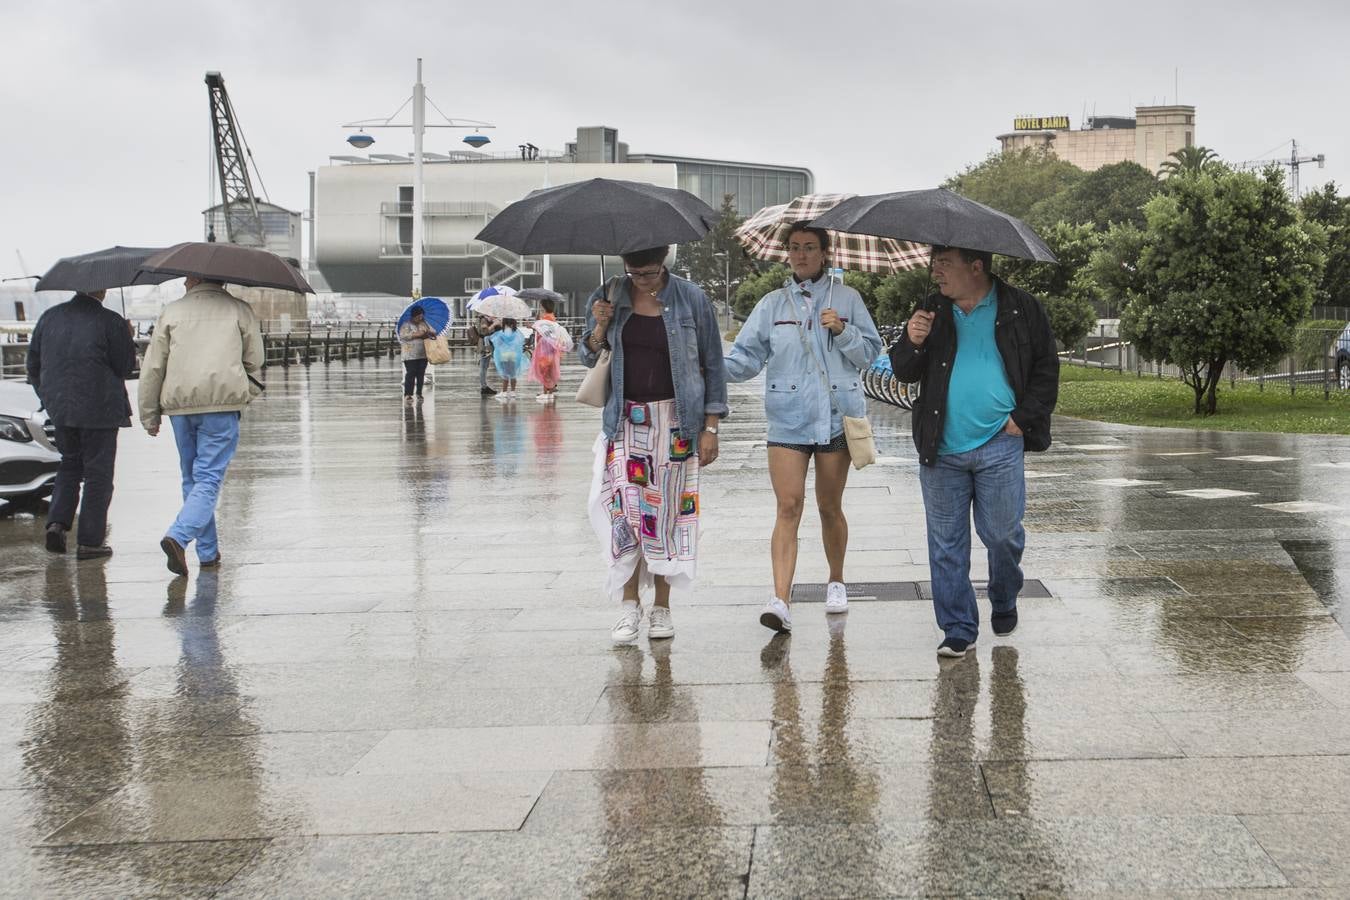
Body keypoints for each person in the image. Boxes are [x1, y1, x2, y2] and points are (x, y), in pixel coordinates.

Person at [890, 246, 1059, 659]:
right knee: (946, 544)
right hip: (941, 446)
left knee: (1002, 534)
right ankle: (958, 627)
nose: (936, 273)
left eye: (945, 264)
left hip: (1000, 442)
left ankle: (1004, 594)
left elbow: (1045, 367)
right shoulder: (931, 309)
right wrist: (911, 342)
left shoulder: (1021, 307)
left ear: (976, 266)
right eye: (935, 265)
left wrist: (1022, 418)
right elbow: (903, 370)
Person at [725, 223, 882, 634]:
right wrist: (708, 369)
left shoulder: (847, 298)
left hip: (834, 416)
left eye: (809, 248)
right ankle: (780, 599)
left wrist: (843, 331)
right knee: (788, 506)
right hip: (788, 419)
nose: (801, 255)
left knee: (829, 506)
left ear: (825, 253)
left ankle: (836, 580)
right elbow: (744, 358)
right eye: (794, 248)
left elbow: (869, 355)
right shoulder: (773, 305)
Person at [579, 246, 728, 645]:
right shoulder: (610, 294)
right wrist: (599, 328)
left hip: (677, 425)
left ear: (664, 264)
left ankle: (662, 607)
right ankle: (629, 607)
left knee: (665, 519)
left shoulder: (692, 298)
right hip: (626, 422)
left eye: (648, 273)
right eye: (633, 272)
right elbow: (584, 354)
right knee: (625, 514)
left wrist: (711, 427)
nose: (640, 280)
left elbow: (714, 363)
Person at [139, 276, 265, 577]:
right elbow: (256, 358)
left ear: (195, 278)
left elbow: (154, 366)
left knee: (191, 478)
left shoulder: (171, 312)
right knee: (208, 478)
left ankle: (207, 552)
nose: (183, 281)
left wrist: (149, 414)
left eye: (186, 277)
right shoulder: (239, 310)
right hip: (221, 404)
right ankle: (179, 536)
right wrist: (244, 390)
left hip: (180, 407)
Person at [25, 289, 137, 559]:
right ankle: (89, 542)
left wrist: (49, 399)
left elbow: (33, 366)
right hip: (101, 410)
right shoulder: (111, 321)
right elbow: (125, 367)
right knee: (98, 474)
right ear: (103, 290)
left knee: (70, 464)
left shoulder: (49, 317)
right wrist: (128, 336)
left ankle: (56, 523)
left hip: (61, 409)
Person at [528, 297, 564, 403]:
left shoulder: (547, 318)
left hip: (545, 346)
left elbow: (543, 330)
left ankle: (545, 393)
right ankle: (549, 393)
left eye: (541, 306)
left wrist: (533, 326)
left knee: (544, 368)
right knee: (548, 369)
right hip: (550, 346)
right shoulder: (551, 317)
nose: (540, 308)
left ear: (544, 306)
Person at [397, 306, 434, 405]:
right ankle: (408, 394)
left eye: (422, 316)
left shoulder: (424, 324)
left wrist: (429, 332)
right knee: (411, 373)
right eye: (418, 316)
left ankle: (419, 393)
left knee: (421, 374)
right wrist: (417, 334)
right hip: (409, 354)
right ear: (414, 316)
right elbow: (403, 336)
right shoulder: (406, 325)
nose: (420, 318)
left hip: (423, 354)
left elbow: (433, 332)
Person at [488, 318, 527, 401]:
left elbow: (497, 342)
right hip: (513, 354)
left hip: (504, 354)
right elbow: (520, 342)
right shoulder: (516, 332)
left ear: (505, 322)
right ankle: (513, 391)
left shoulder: (502, 332)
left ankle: (504, 392)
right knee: (513, 373)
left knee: (505, 374)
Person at [472, 314, 500, 396]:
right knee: (483, 366)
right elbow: (485, 332)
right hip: (484, 345)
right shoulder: (483, 319)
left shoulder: (485, 318)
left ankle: (484, 386)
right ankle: (484, 387)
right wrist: (494, 324)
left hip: (486, 344)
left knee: (484, 366)